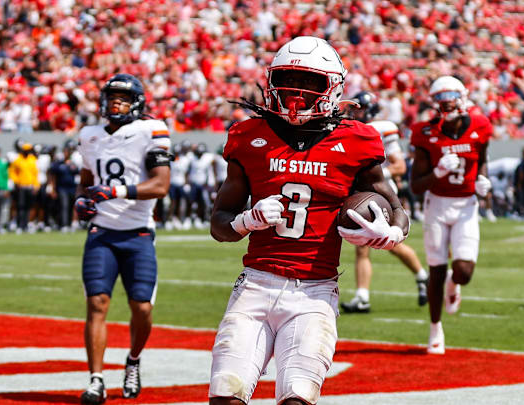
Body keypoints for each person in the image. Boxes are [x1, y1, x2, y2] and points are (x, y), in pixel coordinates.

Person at [209, 36, 409, 405]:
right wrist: (247, 221)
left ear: (332, 87)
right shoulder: (248, 135)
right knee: (226, 396)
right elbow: (218, 224)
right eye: (289, 80)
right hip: (255, 286)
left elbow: (397, 207)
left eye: (310, 83)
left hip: (314, 292)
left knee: (297, 399)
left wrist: (391, 232)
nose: (297, 92)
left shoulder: (358, 140)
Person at [74, 73, 172, 404]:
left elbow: (160, 185)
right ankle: (96, 380)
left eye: (125, 97)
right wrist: (81, 200)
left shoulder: (151, 130)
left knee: (141, 307)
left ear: (138, 103)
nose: (117, 102)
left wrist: (115, 191)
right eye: (113, 95)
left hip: (139, 232)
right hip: (102, 232)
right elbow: (86, 180)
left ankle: (133, 360)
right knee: (97, 303)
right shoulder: (89, 135)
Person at [409, 75, 492, 354]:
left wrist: (483, 183)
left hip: (467, 205)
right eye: (441, 100)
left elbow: (482, 163)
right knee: (436, 268)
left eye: (451, 98)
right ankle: (435, 328)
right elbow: (416, 185)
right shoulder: (426, 132)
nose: (447, 104)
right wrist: (438, 172)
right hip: (437, 205)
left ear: (463, 97)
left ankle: (454, 284)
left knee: (464, 271)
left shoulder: (481, 126)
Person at [340, 91, 428, 313]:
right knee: (372, 245)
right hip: (363, 193)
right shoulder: (349, 129)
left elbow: (400, 166)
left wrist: (374, 175)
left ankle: (365, 296)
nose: (354, 113)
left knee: (379, 243)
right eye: (353, 109)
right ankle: (365, 295)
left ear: (369, 110)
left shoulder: (381, 128)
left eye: (358, 109)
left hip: (381, 193)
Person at [8, 142, 39, 233]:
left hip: (30, 186)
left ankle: (26, 225)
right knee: (21, 206)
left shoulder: (32, 159)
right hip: (21, 186)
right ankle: (20, 225)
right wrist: (16, 181)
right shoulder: (18, 160)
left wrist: (36, 185)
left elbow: (35, 174)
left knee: (28, 207)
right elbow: (12, 172)